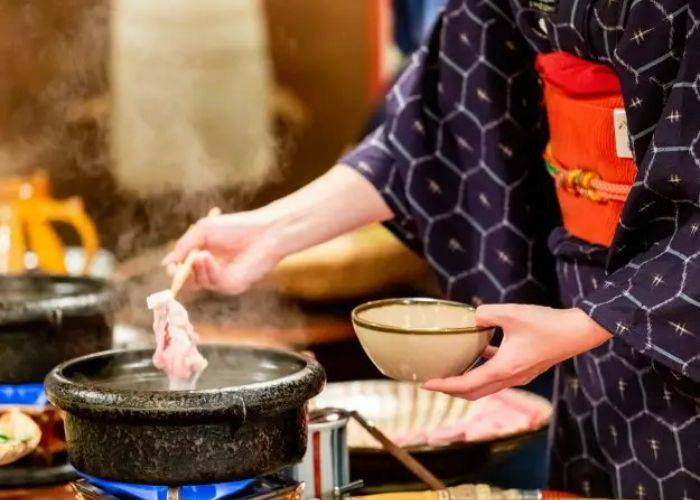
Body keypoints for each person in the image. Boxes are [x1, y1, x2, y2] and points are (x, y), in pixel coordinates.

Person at [164, 1, 700, 497]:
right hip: (582, 285)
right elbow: (444, 124)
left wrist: (588, 322)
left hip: (671, 311)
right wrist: (267, 233)